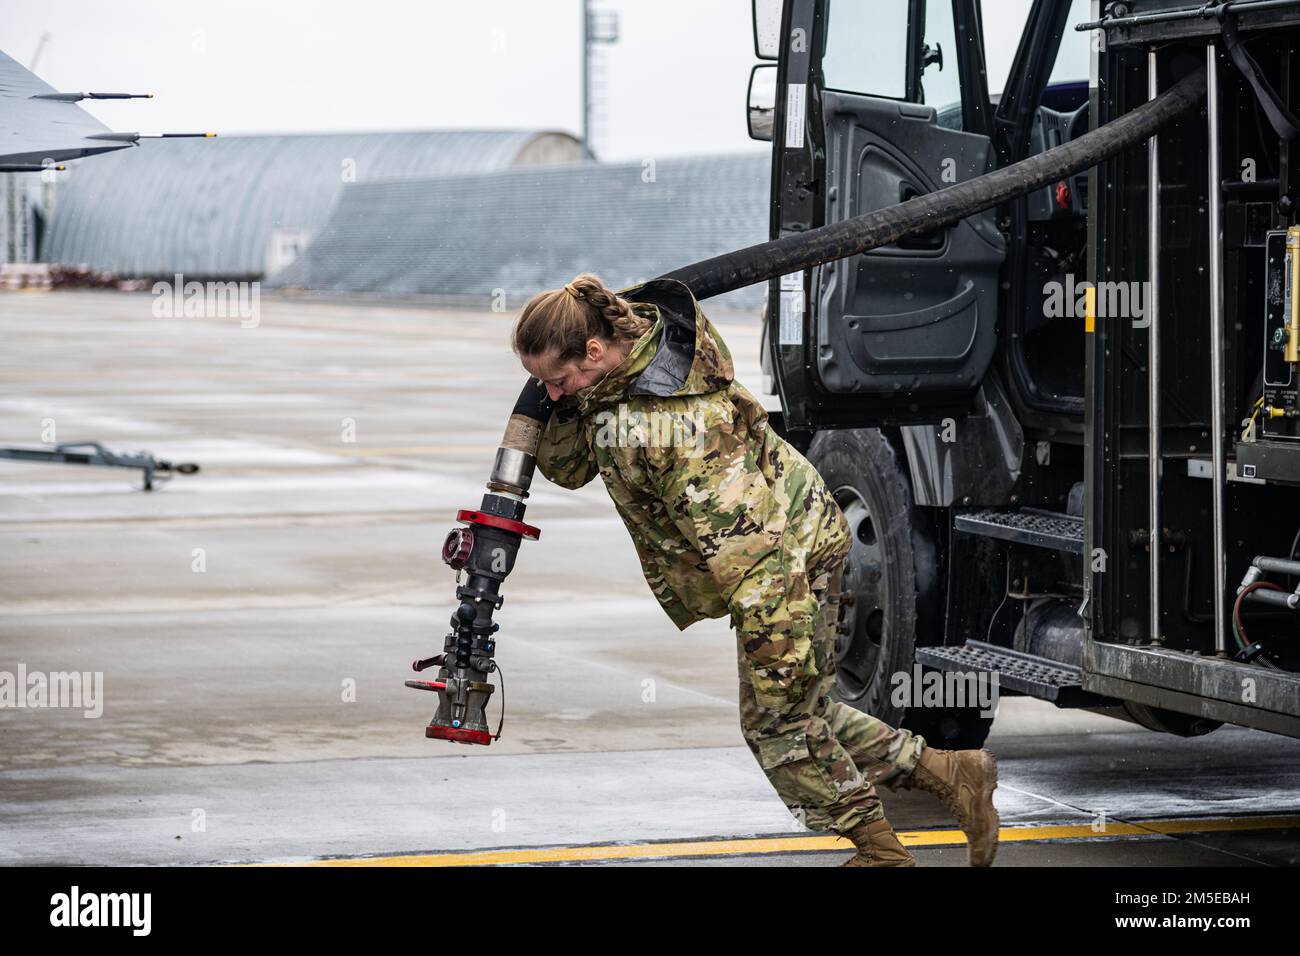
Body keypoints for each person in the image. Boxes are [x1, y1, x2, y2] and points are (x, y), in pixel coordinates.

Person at [512, 272, 999, 866]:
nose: (556, 394)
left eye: (559, 381)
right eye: (546, 386)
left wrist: (778, 645)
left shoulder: (678, 427)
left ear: (593, 350)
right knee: (801, 711)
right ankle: (953, 773)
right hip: (779, 551)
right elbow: (570, 469)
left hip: (790, 560)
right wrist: (549, 400)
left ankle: (878, 851)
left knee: (776, 724)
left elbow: (755, 550)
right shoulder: (612, 380)